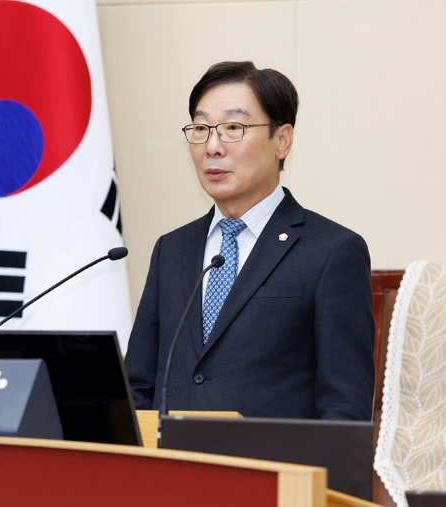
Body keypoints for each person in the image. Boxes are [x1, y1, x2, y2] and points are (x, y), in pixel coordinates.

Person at [124, 61, 374, 420]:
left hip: (270, 457)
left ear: (282, 140)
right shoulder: (171, 250)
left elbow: (344, 409)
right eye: (201, 128)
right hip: (169, 456)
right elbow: (138, 387)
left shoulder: (332, 252)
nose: (212, 146)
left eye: (233, 128)